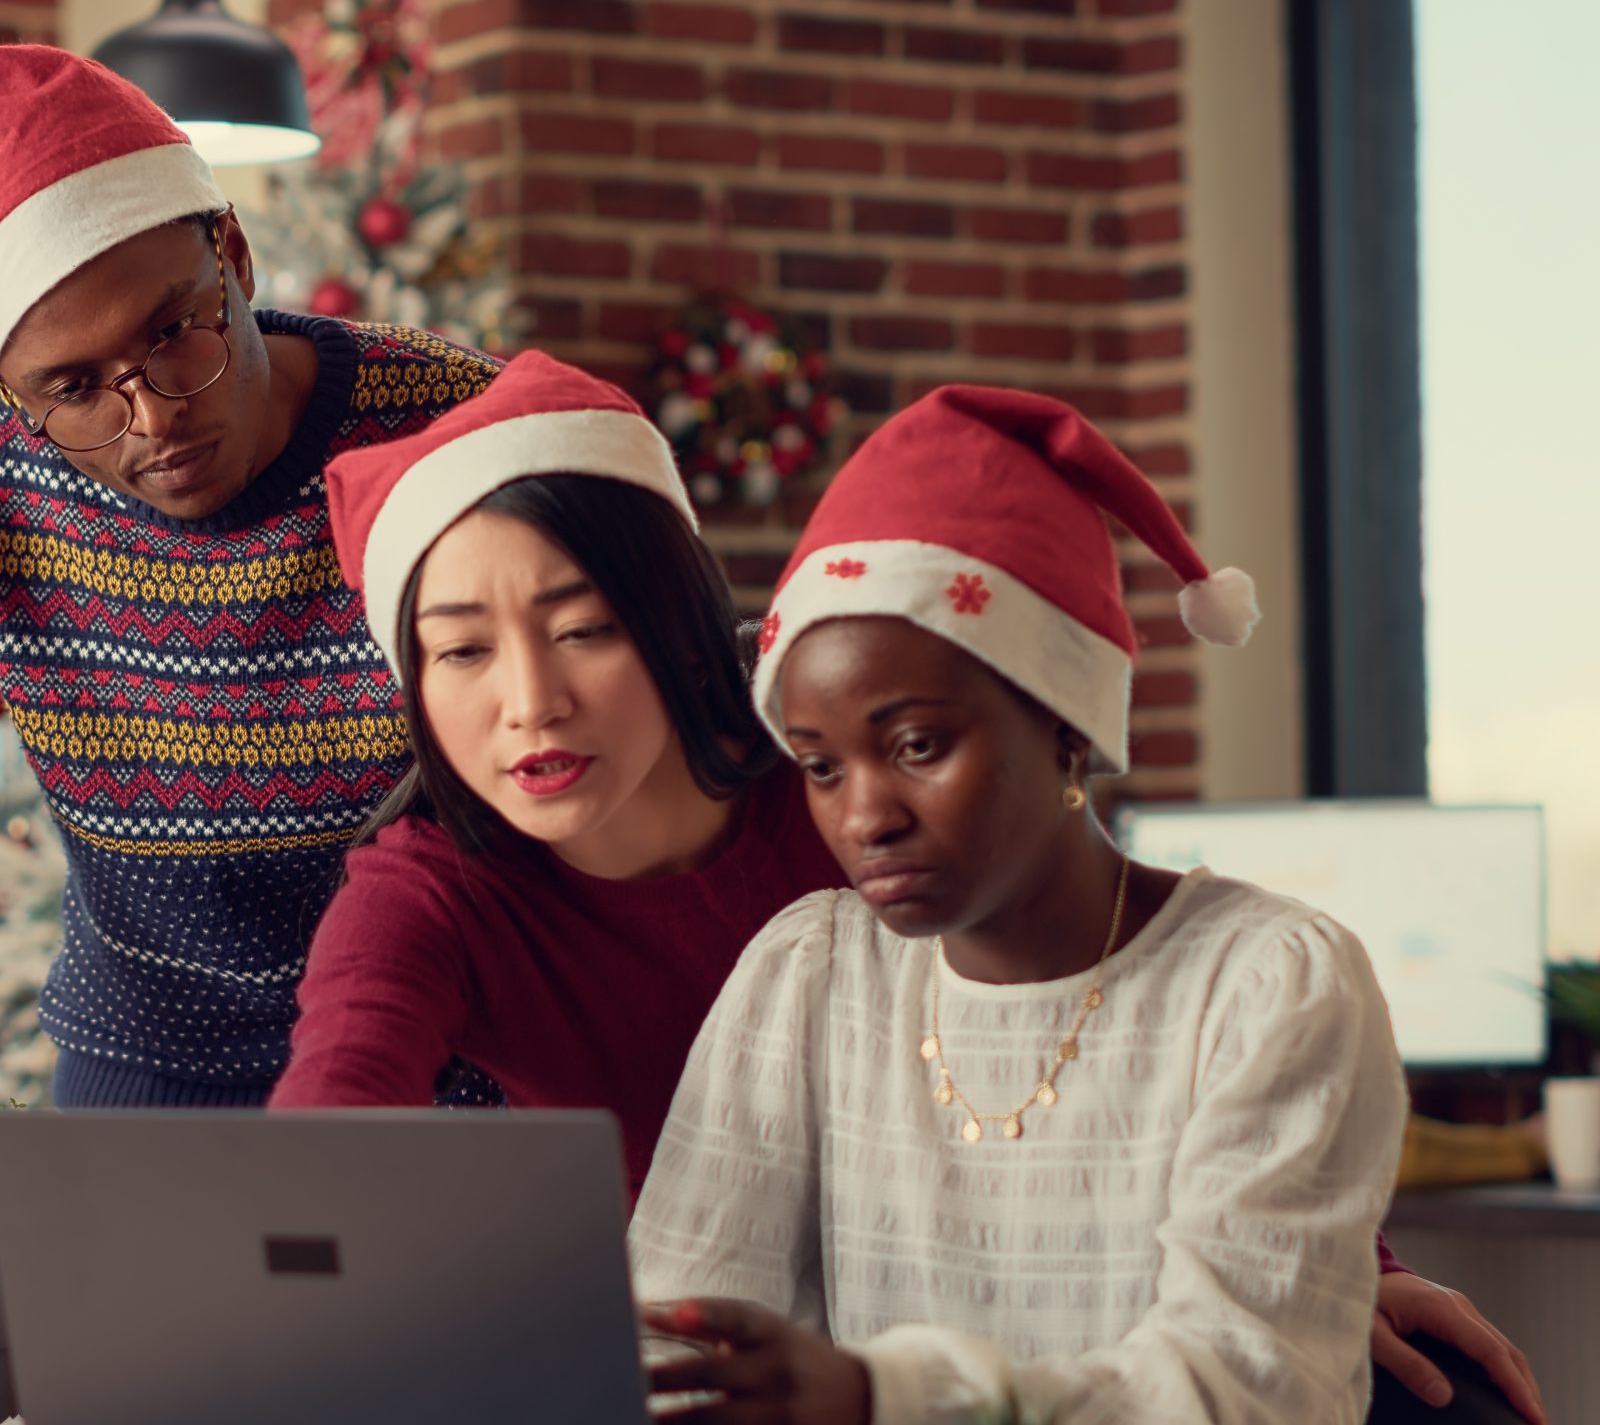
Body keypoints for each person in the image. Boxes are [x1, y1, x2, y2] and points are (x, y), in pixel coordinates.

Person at [0, 43, 502, 1414]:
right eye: (73, 389)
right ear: (6, 392)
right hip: (145, 1093)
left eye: (174, 332)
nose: (155, 420)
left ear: (235, 252)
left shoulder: (446, 424)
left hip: (450, 1088)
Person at [624, 385, 1545, 1423]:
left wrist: (880, 1397)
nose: (863, 815)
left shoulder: (1268, 982)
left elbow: (1233, 1393)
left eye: (916, 744)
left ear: (1069, 725)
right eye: (820, 766)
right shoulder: (807, 974)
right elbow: (667, 1342)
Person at [268, 351, 844, 1196]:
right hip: (657, 1322)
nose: (532, 705)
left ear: (683, 630)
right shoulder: (433, 890)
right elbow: (344, 1075)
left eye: (582, 630)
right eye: (463, 651)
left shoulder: (835, 775)